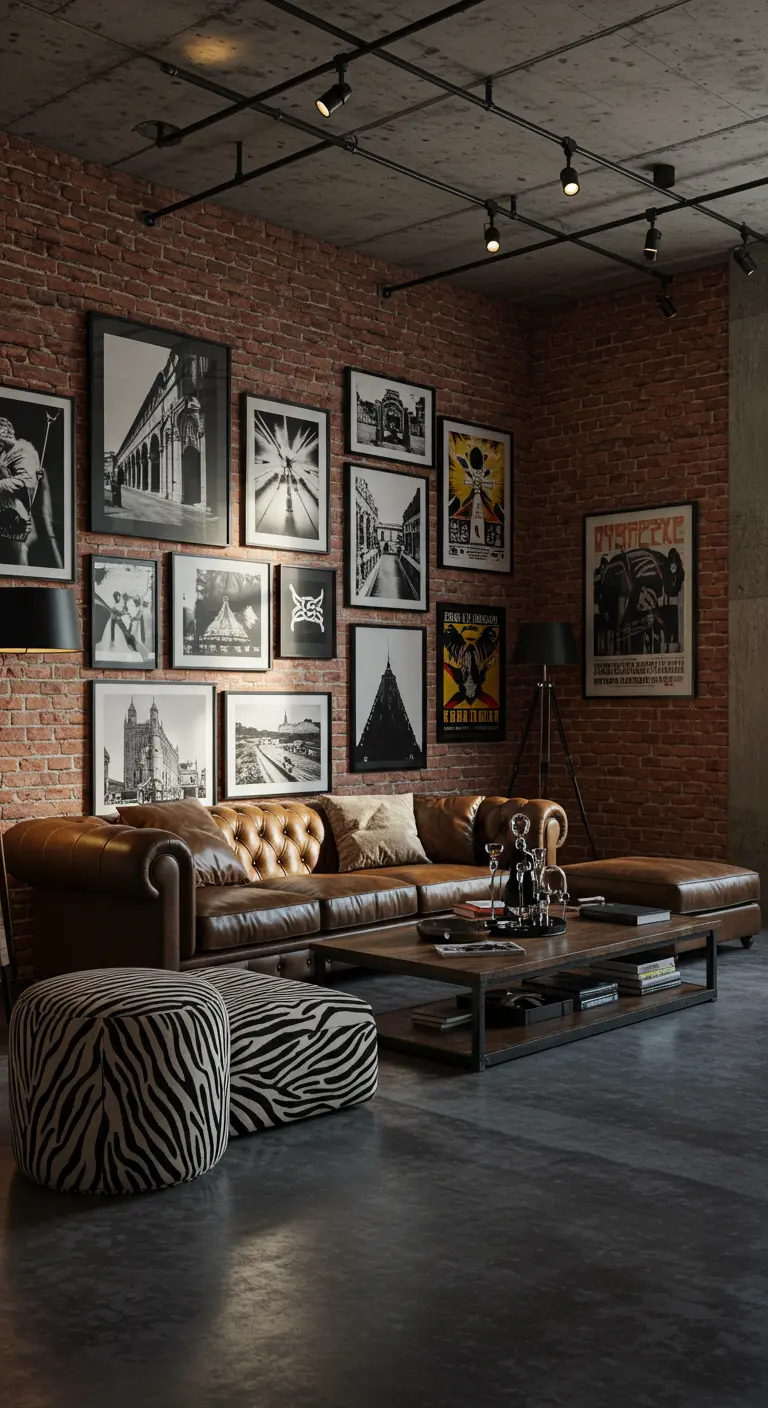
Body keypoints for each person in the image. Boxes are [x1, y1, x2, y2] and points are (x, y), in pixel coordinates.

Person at [0, 414, 63, 569]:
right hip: (7, 512)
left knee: (18, 552)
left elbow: (26, 481)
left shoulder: (22, 451)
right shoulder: (5, 453)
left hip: (17, 515)